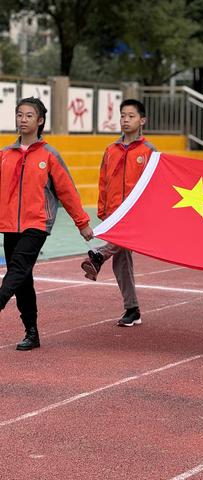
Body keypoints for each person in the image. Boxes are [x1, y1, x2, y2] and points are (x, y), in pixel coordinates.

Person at [0, 97, 93, 350]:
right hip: (9, 225)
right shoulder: (5, 155)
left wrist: (82, 223)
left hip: (37, 223)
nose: (23, 119)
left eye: (29, 115)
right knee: (23, 279)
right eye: (19, 114)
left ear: (40, 121)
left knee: (17, 269)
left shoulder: (49, 155)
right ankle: (32, 332)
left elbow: (67, 192)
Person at [80, 99, 156, 327]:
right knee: (121, 262)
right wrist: (103, 209)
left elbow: (154, 183)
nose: (125, 120)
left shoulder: (149, 151)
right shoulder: (111, 150)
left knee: (117, 247)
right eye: (122, 116)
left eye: (131, 116)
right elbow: (104, 180)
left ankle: (99, 254)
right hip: (114, 211)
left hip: (136, 212)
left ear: (142, 120)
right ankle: (132, 309)